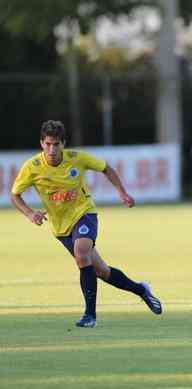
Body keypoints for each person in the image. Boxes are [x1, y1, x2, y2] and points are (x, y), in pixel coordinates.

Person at [11, 120, 162, 328]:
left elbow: (106, 168)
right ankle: (141, 290)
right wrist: (30, 214)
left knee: (82, 255)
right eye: (48, 144)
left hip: (84, 214)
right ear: (41, 143)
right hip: (60, 226)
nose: (52, 149)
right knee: (101, 271)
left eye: (56, 144)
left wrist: (122, 192)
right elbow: (15, 195)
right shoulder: (32, 167)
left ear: (63, 143)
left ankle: (90, 316)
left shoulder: (77, 159)